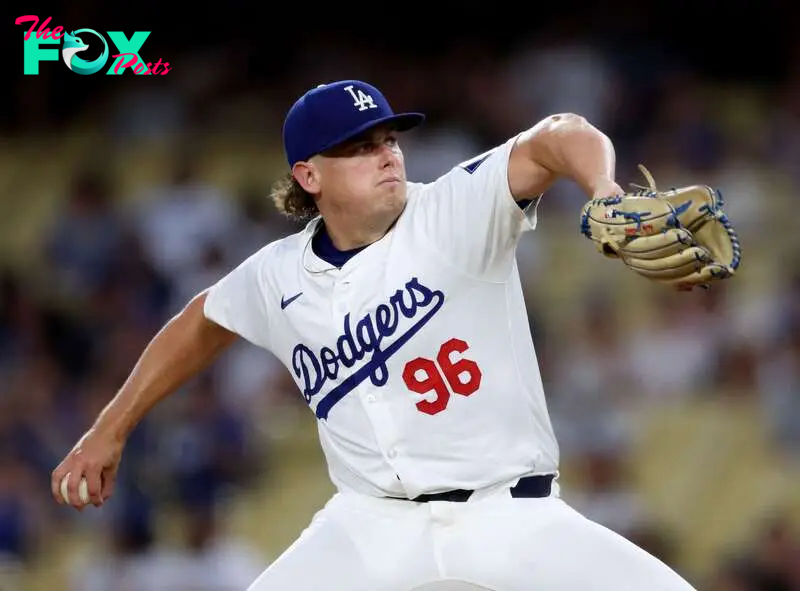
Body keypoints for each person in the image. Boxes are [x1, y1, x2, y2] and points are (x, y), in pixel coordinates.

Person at [52, 79, 698, 590]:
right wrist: (110, 426)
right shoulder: (277, 275)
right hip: (370, 524)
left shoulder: (454, 210)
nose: (386, 153)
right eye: (360, 146)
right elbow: (200, 322)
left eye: (389, 138)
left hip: (511, 513)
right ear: (310, 176)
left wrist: (605, 189)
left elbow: (559, 135)